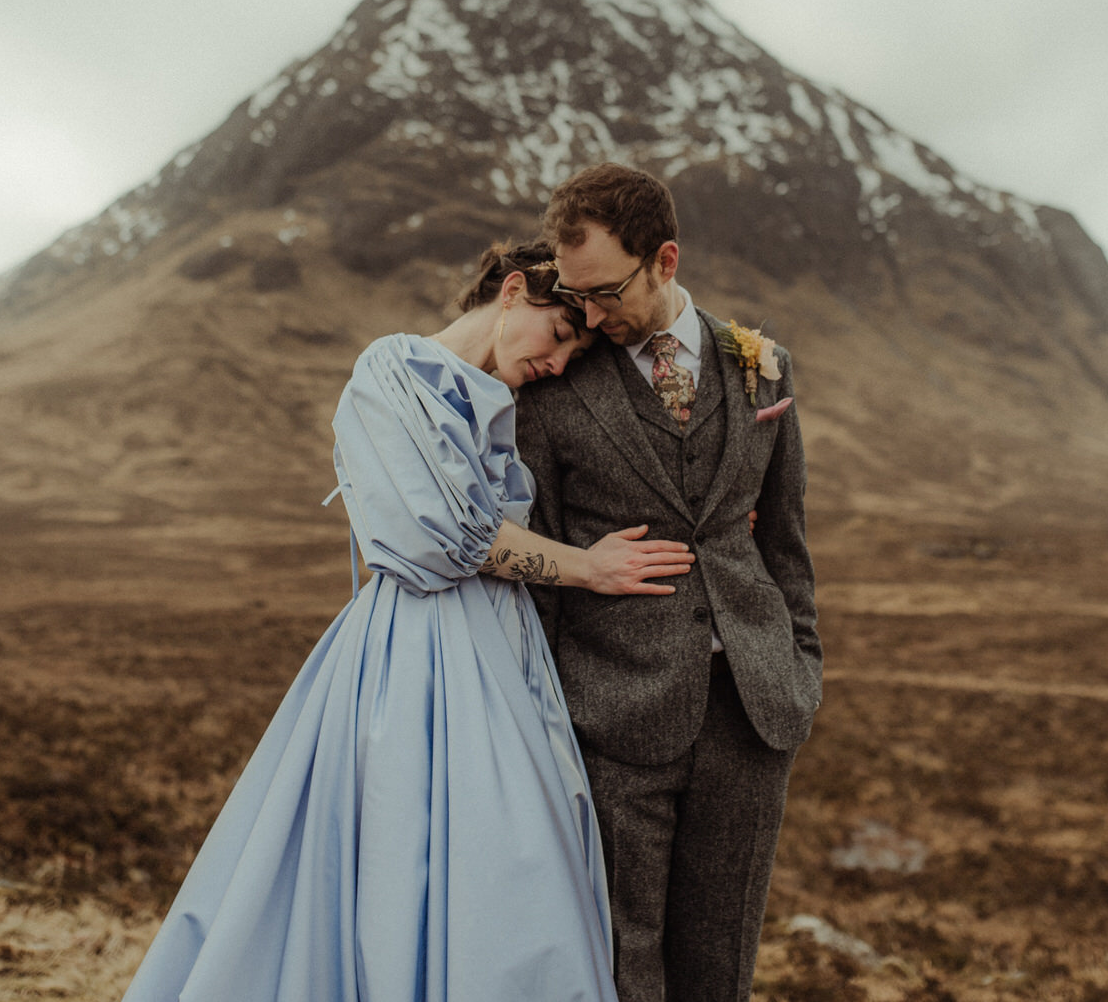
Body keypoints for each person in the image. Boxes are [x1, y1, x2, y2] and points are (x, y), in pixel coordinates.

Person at [120, 240, 697, 1002]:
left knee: (517, 863)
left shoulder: (518, 402)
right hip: (413, 654)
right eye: (558, 334)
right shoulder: (391, 368)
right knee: (406, 855)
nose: (559, 362)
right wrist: (588, 566)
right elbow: (443, 537)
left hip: (506, 650)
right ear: (514, 290)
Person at [517, 164, 822, 1002]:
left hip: (752, 714)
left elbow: (787, 546)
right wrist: (552, 716)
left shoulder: (765, 367)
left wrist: (800, 671)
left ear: (666, 260)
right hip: (612, 716)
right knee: (621, 960)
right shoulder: (554, 390)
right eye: (575, 296)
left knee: (720, 963)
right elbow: (537, 560)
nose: (589, 314)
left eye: (606, 291)